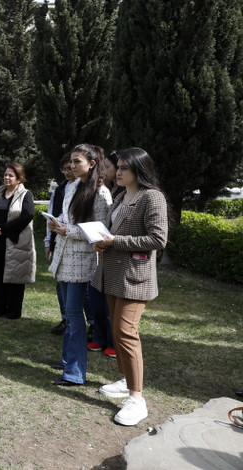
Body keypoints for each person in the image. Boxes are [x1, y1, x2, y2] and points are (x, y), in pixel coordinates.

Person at [92, 147, 169, 426]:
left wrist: (115, 242)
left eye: (124, 167)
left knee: (126, 332)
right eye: (118, 167)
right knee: (116, 329)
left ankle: (137, 399)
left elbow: (158, 240)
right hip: (113, 273)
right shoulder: (122, 196)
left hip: (135, 276)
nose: (118, 171)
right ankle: (126, 381)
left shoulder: (152, 197)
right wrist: (103, 240)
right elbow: (115, 232)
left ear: (140, 169)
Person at [48, 143, 112, 386]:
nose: (72, 166)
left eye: (77, 162)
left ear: (92, 164)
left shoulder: (101, 192)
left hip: (82, 260)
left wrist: (67, 230)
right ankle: (67, 362)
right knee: (68, 313)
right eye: (71, 162)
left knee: (75, 316)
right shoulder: (72, 186)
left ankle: (74, 373)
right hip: (64, 256)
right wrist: (57, 224)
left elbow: (99, 230)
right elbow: (70, 217)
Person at [0, 162, 36, 318]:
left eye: (11, 175)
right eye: (5, 175)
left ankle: (13, 310)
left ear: (19, 179)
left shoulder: (26, 195)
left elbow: (28, 215)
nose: (7, 178)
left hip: (15, 241)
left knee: (14, 276)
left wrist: (3, 228)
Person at [46, 154, 74, 334]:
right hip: (59, 240)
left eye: (70, 168)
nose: (67, 172)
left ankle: (92, 323)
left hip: (77, 247)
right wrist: (48, 241)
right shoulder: (60, 189)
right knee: (60, 283)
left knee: (80, 289)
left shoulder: (87, 188)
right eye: (64, 169)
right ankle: (65, 319)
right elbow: (52, 212)